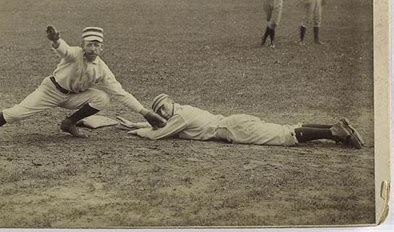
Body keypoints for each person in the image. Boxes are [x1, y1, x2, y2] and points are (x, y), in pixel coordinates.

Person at [0, 26, 166, 146]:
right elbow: (63, 49)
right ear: (83, 45)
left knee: (103, 98)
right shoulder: (75, 53)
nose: (93, 47)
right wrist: (56, 40)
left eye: (97, 44)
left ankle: (69, 123)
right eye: (90, 43)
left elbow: (121, 93)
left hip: (73, 97)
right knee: (17, 114)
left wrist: (145, 113)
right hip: (50, 91)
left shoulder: (101, 68)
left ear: (102, 47)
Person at [118, 94, 365, 149]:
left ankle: (336, 132)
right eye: (160, 110)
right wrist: (138, 124)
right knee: (284, 130)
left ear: (172, 102)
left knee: (283, 136)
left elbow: (159, 134)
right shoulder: (181, 112)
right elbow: (165, 127)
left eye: (163, 107)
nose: (163, 112)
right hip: (233, 124)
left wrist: (139, 132)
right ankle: (334, 127)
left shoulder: (180, 116)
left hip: (233, 128)